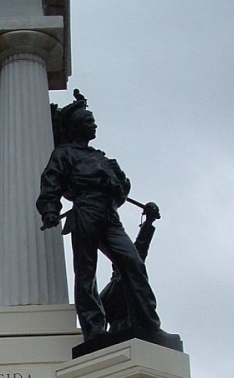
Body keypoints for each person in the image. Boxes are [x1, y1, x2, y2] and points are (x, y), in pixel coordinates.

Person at [36, 93, 162, 344]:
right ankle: (94, 329)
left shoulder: (101, 157)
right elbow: (51, 182)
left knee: (133, 264)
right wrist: (50, 208)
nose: (94, 125)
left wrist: (122, 184)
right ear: (77, 126)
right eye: (89, 121)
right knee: (86, 272)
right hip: (86, 210)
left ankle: (149, 324)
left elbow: (122, 190)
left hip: (109, 214)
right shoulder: (64, 154)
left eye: (93, 121)